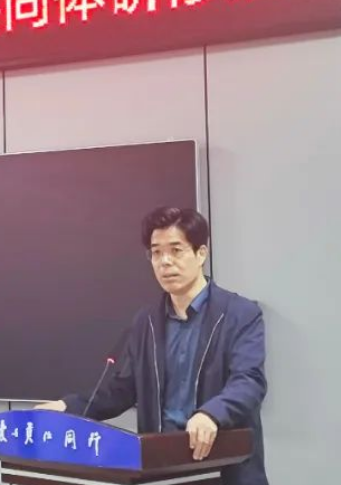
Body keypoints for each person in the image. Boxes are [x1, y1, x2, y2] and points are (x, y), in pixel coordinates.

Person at [36, 207, 268, 485]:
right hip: (162, 468)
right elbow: (122, 390)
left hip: (222, 467)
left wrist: (211, 414)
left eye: (176, 250)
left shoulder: (239, 314)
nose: (165, 262)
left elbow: (249, 381)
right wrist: (67, 407)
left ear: (201, 254)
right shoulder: (146, 321)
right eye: (156, 253)